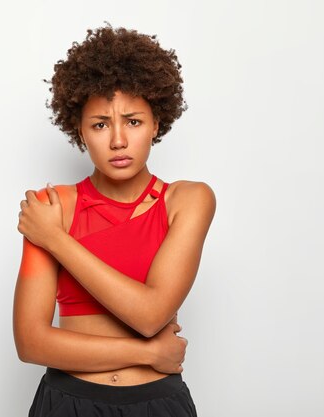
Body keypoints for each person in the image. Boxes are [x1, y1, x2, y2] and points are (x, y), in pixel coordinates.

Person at [14, 24, 216, 417]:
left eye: (134, 121)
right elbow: (30, 342)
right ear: (80, 131)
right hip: (67, 403)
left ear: (157, 123)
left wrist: (56, 239)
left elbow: (150, 314)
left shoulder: (188, 200)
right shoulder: (52, 206)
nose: (118, 140)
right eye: (101, 124)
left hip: (157, 402)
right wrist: (148, 353)